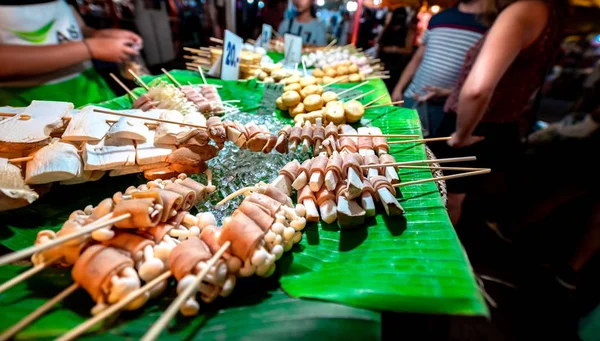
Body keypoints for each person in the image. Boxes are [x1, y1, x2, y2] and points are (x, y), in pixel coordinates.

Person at [431, 0, 566, 226]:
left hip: (475, 128)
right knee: (455, 200)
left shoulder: (522, 10)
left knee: (444, 200)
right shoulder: (551, 12)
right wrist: (450, 93)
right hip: (499, 125)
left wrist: (461, 136)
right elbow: (511, 80)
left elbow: (477, 90)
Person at [0, 0, 142, 107]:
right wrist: (90, 48)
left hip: (89, 91)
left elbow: (74, 29)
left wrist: (95, 35)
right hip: (32, 107)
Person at [390, 0, 489, 137]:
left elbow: (484, 80)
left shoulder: (491, 25)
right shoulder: (439, 18)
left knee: (429, 154)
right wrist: (399, 88)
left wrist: (449, 92)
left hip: (447, 109)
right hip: (412, 97)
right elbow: (417, 58)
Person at [376, 8, 415, 92]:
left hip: (396, 65)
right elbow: (379, 42)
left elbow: (409, 50)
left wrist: (394, 49)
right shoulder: (387, 27)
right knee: (378, 85)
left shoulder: (408, 31)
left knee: (389, 88)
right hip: (382, 61)